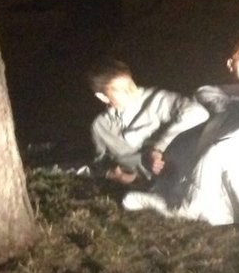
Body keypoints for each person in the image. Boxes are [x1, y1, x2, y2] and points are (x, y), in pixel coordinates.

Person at [87, 58, 209, 186]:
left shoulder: (156, 99)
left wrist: (158, 148)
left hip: (178, 175)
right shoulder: (101, 125)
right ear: (103, 97)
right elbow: (98, 161)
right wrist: (111, 174)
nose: (130, 91)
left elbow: (198, 113)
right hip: (141, 183)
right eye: (120, 90)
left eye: (130, 84)